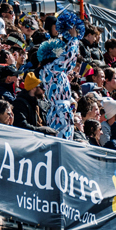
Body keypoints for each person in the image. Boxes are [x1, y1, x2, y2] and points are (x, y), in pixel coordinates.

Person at [38, 11, 83, 139]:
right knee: (60, 142)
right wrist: (74, 38)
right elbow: (68, 56)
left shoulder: (55, 69)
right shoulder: (51, 68)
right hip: (58, 113)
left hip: (63, 111)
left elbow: (71, 62)